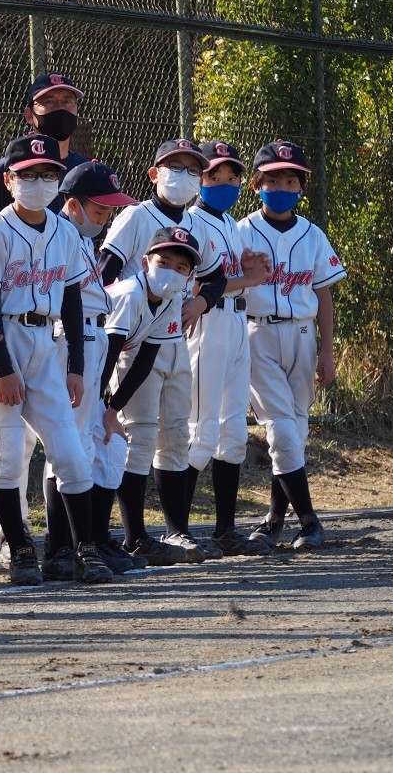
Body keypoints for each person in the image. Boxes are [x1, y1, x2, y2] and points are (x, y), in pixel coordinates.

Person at [0, 134, 112, 586]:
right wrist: (3, 366)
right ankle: (20, 550)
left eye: (48, 174)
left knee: (70, 452)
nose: (38, 181)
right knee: (9, 454)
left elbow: (72, 300)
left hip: (47, 344)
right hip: (6, 340)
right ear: (9, 180)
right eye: (28, 174)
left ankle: (82, 549)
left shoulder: (65, 231)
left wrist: (74, 365)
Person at [97, 138, 230, 563]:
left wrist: (201, 301)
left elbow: (216, 276)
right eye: (176, 166)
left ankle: (176, 533)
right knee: (138, 438)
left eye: (194, 169)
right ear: (155, 172)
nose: (186, 175)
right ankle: (135, 536)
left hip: (174, 341)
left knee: (176, 436)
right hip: (134, 339)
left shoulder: (196, 223)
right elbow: (107, 271)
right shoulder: (136, 215)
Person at [237, 140, 345, 550]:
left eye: (291, 179)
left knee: (294, 433)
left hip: (302, 335)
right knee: (281, 429)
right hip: (257, 333)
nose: (282, 186)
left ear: (302, 187)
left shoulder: (313, 234)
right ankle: (310, 520)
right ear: (256, 184)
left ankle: (273, 518)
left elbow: (323, 296)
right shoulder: (241, 232)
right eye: (273, 179)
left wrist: (327, 351)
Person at [38, 160, 141, 578]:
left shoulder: (79, 239)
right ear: (73, 205)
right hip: (70, 340)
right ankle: (60, 548)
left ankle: (87, 541)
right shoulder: (61, 234)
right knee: (68, 444)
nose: (105, 217)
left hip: (92, 339)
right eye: (99, 209)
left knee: (90, 441)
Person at [185, 141, 273, 555]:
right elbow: (196, 287)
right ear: (199, 178)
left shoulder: (232, 224)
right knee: (200, 429)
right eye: (214, 175)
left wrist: (252, 267)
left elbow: (239, 276)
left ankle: (225, 530)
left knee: (234, 432)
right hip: (208, 324)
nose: (225, 182)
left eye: (232, 176)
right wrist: (246, 280)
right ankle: (176, 530)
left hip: (237, 324)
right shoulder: (191, 222)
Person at [98, 228, 202, 565]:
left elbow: (146, 358)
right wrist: (102, 404)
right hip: (83, 360)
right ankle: (111, 539)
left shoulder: (170, 298)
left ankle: (131, 538)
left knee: (140, 439)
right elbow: (109, 352)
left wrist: (113, 409)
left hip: (118, 356)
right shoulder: (129, 293)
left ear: (190, 277)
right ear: (145, 262)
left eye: (182, 267)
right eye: (164, 261)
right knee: (119, 443)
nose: (171, 270)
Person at [0, 72, 88, 218]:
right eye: (50, 101)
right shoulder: (4, 170)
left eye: (68, 101)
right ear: (29, 115)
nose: (61, 109)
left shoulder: (86, 173)